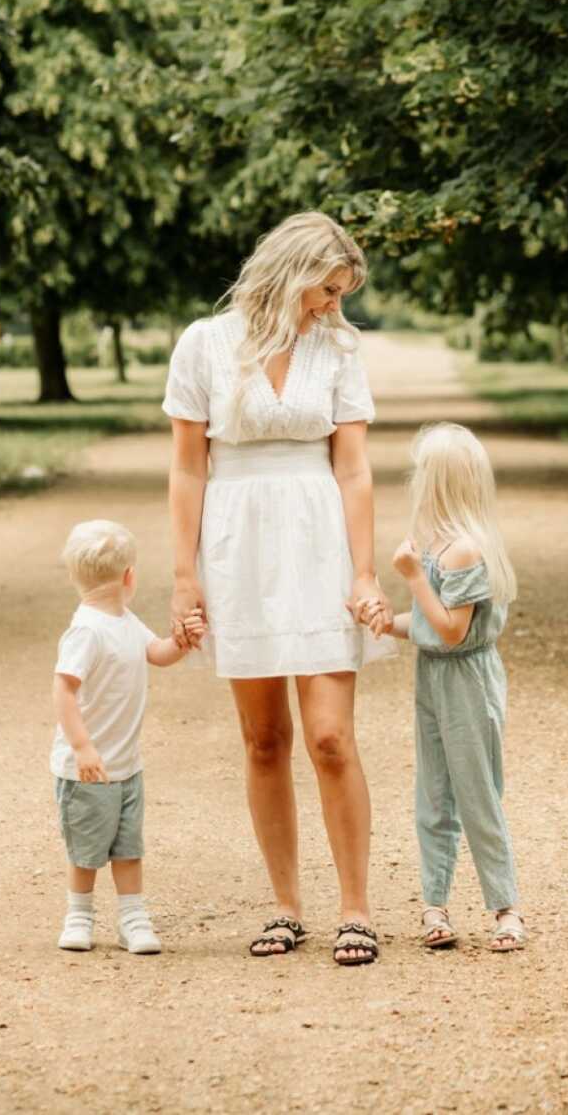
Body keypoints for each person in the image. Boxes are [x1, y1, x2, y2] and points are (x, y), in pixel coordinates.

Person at [163, 211, 394, 966]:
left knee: (330, 736)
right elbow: (188, 467)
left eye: (340, 293)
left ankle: (355, 908)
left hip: (317, 540)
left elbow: (353, 467)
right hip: (237, 547)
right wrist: (184, 575)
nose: (333, 305)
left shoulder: (337, 348)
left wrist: (363, 569)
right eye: (326, 289)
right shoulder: (204, 343)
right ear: (291, 273)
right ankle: (286, 906)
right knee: (265, 739)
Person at [360, 422, 526, 952]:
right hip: (434, 675)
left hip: (466, 680)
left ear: (439, 481)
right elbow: (433, 626)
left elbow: (454, 632)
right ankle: (435, 902)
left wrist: (410, 577)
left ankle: (505, 908)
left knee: (476, 793)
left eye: (422, 472)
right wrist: (388, 621)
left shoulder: (463, 550)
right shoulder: (435, 545)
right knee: (432, 794)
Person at [50, 519, 204, 954]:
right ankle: (78, 916)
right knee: (86, 849)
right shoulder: (86, 630)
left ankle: (132, 919)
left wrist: (182, 641)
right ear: (129, 576)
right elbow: (63, 689)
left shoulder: (124, 620)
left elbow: (156, 653)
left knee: (128, 847)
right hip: (87, 769)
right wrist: (82, 747)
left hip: (125, 765)